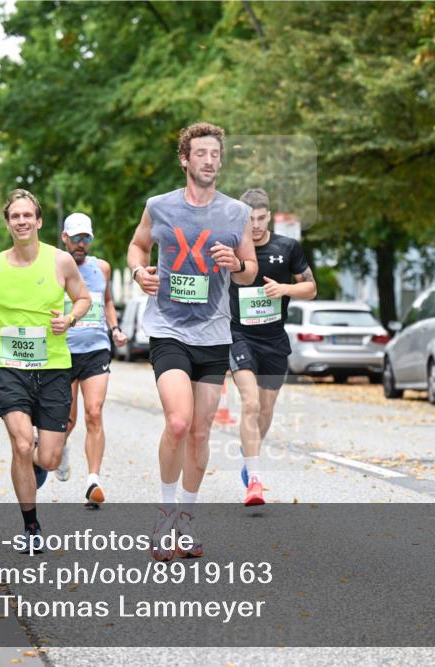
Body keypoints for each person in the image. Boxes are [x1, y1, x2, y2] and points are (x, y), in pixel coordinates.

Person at [126, 122, 257, 560]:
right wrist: (139, 271)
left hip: (213, 332)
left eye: (214, 154)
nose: (208, 160)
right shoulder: (159, 206)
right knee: (178, 422)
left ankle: (187, 520)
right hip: (168, 327)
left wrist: (235, 261)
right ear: (185, 159)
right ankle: (163, 515)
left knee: (200, 434)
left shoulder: (236, 213)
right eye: (200, 153)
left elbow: (250, 271)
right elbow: (137, 246)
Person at [0, 189, 91, 554]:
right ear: (8, 223)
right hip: (9, 367)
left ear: (38, 221)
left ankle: (46, 455)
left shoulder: (60, 262)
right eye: (15, 216)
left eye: (28, 215)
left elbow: (83, 298)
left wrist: (69, 317)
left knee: (48, 458)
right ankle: (31, 527)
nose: (22, 221)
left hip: (52, 367)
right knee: (22, 443)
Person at [228, 188, 317, 506]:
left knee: (265, 410)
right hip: (240, 336)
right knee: (250, 405)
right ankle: (254, 479)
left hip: (274, 339)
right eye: (249, 219)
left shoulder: (287, 246)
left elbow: (311, 288)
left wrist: (284, 288)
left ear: (269, 215)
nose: (255, 225)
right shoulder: (231, 248)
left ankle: (247, 452)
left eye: (261, 218)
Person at [61, 212, 129, 508]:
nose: (81, 243)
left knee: (94, 411)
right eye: (75, 237)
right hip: (63, 352)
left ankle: (93, 479)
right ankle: (59, 447)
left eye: (85, 238)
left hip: (96, 348)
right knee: (68, 419)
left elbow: (109, 301)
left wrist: (114, 329)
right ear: (65, 238)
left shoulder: (101, 268)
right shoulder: (54, 268)